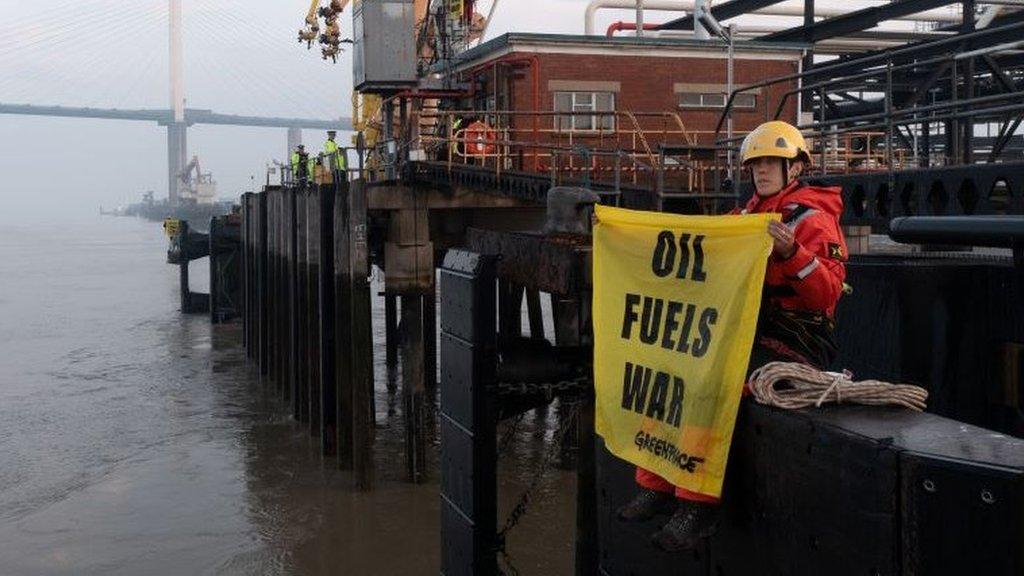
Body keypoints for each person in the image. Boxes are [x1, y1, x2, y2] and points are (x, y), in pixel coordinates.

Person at [616, 120, 849, 552]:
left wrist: (791, 252)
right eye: (755, 164)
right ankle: (656, 482)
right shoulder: (744, 216)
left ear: (794, 169)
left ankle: (697, 506)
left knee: (711, 382)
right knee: (670, 366)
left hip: (798, 338)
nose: (761, 171)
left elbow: (827, 294)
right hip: (749, 327)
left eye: (770, 163)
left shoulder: (812, 221)